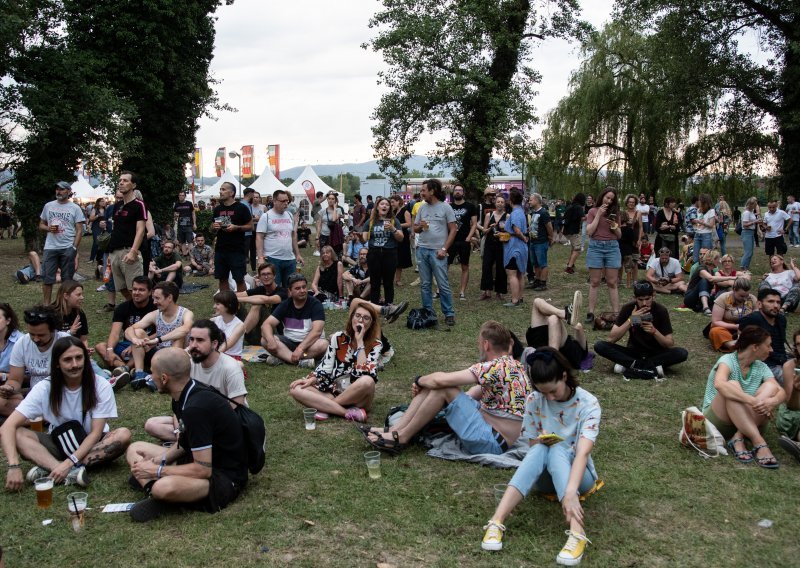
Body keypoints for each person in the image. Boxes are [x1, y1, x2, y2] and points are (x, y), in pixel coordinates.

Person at [480, 348, 601, 565]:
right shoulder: (534, 400)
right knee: (542, 448)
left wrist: (572, 491)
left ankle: (577, 532)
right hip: (544, 478)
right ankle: (496, 521)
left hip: (579, 478)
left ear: (564, 376)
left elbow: (583, 452)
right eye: (543, 392)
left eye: (553, 391)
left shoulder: (588, 403)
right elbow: (532, 443)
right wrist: (540, 440)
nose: (549, 398)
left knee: (557, 449)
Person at [361, 321, 530, 455]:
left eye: (479, 343)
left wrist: (420, 380)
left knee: (443, 387)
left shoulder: (494, 367)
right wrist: (431, 390)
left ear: (486, 344)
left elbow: (442, 381)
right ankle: (394, 430)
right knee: (440, 387)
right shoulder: (513, 367)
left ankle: (402, 438)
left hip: (492, 442)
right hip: (494, 435)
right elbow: (471, 395)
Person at [126, 348, 248, 522]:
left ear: (164, 378)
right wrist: (156, 461)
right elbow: (184, 445)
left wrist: (157, 470)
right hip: (197, 459)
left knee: (163, 487)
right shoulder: (184, 394)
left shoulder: (196, 409)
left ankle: (159, 493)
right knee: (135, 449)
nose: (150, 377)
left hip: (222, 477)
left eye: (151, 372)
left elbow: (203, 470)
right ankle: (154, 492)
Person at [1, 336, 132, 490]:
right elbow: (7, 426)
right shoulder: (45, 388)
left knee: (123, 435)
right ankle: (64, 470)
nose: (75, 364)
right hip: (58, 444)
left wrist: (69, 462)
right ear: (57, 363)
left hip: (93, 444)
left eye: (79, 358)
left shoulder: (100, 385)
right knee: (17, 434)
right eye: (68, 360)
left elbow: (96, 433)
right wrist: (14, 466)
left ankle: (53, 468)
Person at [144, 320, 247, 441]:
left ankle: (191, 445)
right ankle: (186, 443)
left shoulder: (230, 368)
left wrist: (200, 425)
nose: (193, 345)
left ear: (214, 344)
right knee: (152, 424)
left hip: (223, 423)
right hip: (195, 416)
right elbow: (180, 403)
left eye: (200, 340)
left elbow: (237, 407)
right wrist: (179, 430)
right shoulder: (189, 365)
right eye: (191, 339)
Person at [701, 326, 784, 468]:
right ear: (755, 347)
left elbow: (780, 391)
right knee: (731, 384)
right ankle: (759, 443)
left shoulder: (761, 366)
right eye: (768, 345)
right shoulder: (728, 360)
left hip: (747, 422)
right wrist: (753, 401)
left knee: (771, 387)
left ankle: (738, 438)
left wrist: (772, 401)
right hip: (719, 421)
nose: (771, 350)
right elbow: (720, 384)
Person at [289, 302, 382, 422]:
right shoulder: (338, 338)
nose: (360, 320)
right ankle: (346, 412)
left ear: (371, 323)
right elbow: (325, 367)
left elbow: (363, 373)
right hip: (334, 391)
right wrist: (312, 379)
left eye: (366, 318)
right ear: (352, 317)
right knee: (296, 389)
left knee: (367, 381)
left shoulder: (376, 344)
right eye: (357, 315)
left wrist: (360, 343)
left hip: (358, 397)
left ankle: (326, 407)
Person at [594, 280, 688, 379]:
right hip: (633, 352)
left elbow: (669, 343)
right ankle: (650, 367)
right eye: (640, 299)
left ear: (653, 295)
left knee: (682, 353)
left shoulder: (661, 310)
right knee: (600, 345)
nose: (644, 303)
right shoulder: (628, 308)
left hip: (655, 353)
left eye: (647, 299)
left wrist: (655, 332)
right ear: (635, 298)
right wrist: (631, 320)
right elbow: (611, 339)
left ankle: (631, 366)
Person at [0, 306, 71, 417]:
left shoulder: (65, 343)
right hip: (35, 396)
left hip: (61, 395)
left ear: (53, 330)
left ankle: (32, 416)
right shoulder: (22, 343)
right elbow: (15, 379)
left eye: (41, 335)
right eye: (32, 334)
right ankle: (43, 416)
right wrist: (10, 388)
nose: (36, 339)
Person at [125, 281, 194, 388]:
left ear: (169, 298)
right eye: (154, 298)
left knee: (179, 336)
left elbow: (185, 329)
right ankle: (139, 373)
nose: (154, 302)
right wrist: (134, 339)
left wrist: (158, 340)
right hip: (158, 355)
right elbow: (130, 329)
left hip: (178, 358)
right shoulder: (155, 314)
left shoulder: (186, 313)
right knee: (137, 332)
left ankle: (160, 378)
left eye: (157, 298)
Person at [95, 276, 155, 384]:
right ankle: (125, 369)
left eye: (141, 290)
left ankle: (126, 369)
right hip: (127, 347)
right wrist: (110, 350)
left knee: (138, 341)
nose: (136, 292)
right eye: (135, 289)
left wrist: (136, 343)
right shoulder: (123, 307)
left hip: (148, 345)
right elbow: (115, 333)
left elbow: (160, 333)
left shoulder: (155, 307)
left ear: (150, 292)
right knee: (101, 347)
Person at [413, 179, 457, 325]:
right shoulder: (422, 208)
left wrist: (444, 249)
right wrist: (420, 227)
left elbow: (453, 230)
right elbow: (415, 228)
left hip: (438, 251)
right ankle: (428, 312)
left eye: (424, 190)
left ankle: (449, 313)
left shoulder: (446, 208)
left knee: (442, 283)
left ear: (432, 191)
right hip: (422, 249)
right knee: (425, 284)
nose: (421, 193)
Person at [261, 273, 329, 367]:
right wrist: (271, 341)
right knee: (265, 340)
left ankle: (283, 357)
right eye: (297, 288)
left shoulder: (315, 304)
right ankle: (297, 361)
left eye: (304, 287)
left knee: (323, 344)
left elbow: (317, 332)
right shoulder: (285, 304)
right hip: (289, 344)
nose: (302, 291)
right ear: (289, 291)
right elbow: (266, 324)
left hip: (309, 346)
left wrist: (300, 349)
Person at [39, 181, 85, 304]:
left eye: (62, 189)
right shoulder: (48, 206)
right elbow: (41, 224)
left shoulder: (75, 208)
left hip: (67, 247)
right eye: (57, 189)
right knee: (48, 279)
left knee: (67, 280)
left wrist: (74, 248)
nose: (58, 191)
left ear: (69, 192)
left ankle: (64, 305)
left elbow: (79, 230)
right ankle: (47, 305)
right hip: (50, 247)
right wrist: (48, 228)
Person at [106, 172, 147, 302]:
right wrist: (110, 253)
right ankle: (134, 309)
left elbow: (141, 230)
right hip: (115, 251)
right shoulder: (117, 206)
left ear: (133, 185)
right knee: (121, 288)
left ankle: (142, 313)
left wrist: (133, 252)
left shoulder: (139, 205)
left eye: (125, 180)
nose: (121, 183)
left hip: (129, 251)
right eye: (120, 180)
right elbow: (116, 229)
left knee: (135, 288)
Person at [521, 293, 588, 371]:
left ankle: (552, 361)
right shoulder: (578, 347)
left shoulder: (579, 353)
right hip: (540, 346)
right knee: (537, 301)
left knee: (553, 318)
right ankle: (564, 314)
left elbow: (578, 326)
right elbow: (578, 327)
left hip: (561, 354)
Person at [584, 187, 622, 324]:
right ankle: (590, 312)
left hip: (612, 247)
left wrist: (614, 226)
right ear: (602, 197)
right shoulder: (592, 211)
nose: (609, 200)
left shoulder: (615, 212)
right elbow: (589, 231)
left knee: (612, 282)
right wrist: (599, 214)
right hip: (596, 247)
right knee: (595, 282)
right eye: (607, 197)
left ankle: (616, 313)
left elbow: (619, 235)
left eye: (612, 199)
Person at [255, 189, 304, 288]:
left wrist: (297, 254)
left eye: (287, 201)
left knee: (291, 287)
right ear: (274, 201)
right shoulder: (266, 216)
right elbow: (259, 237)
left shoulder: (289, 215)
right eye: (283, 201)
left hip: (290, 259)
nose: (286, 203)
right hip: (272, 258)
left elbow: (293, 235)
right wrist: (260, 257)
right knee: (273, 287)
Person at [739, 288, 788, 383]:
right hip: (763, 363)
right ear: (759, 304)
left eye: (778, 302)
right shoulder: (753, 319)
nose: (775, 305)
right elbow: (742, 344)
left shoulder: (781, 319)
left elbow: (780, 344)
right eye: (771, 301)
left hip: (782, 360)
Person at [362, 196, 404, 305]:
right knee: (374, 282)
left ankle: (389, 307)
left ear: (389, 208)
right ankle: (374, 307)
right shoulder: (370, 222)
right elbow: (364, 239)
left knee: (388, 283)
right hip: (374, 254)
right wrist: (360, 236)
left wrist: (392, 228)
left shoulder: (394, 221)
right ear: (377, 207)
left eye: (387, 204)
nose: (384, 206)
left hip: (390, 254)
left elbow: (401, 238)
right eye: (382, 204)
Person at [212, 181, 252, 293]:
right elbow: (213, 227)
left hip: (236, 249)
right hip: (221, 249)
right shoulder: (217, 209)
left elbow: (250, 227)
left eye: (223, 189)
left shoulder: (241, 208)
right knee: (222, 278)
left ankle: (240, 305)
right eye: (220, 189)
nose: (220, 191)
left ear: (232, 193)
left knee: (239, 279)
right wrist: (214, 226)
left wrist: (236, 227)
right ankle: (226, 305)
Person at [236, 262, 288, 346]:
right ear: (259, 277)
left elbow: (266, 299)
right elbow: (236, 295)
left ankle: (237, 338)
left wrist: (238, 299)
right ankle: (229, 335)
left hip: (275, 334)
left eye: (269, 274)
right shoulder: (260, 289)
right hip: (258, 333)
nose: (266, 277)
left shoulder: (283, 292)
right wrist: (231, 299)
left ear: (274, 276)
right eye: (263, 274)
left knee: (258, 305)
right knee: (234, 304)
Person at [709, 277, 758, 352]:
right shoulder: (723, 298)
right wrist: (736, 327)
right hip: (727, 328)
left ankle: (744, 345)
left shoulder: (752, 299)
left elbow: (757, 318)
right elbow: (716, 321)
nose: (745, 299)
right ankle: (735, 346)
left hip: (746, 329)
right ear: (734, 290)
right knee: (715, 331)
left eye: (747, 296)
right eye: (741, 296)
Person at [447, 185, 478, 299]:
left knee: (465, 266)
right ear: (453, 192)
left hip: (464, 240)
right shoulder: (448, 207)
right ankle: (440, 290)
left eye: (460, 190)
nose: (458, 192)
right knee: (445, 266)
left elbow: (474, 224)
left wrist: (469, 237)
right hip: (451, 240)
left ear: (463, 193)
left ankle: (462, 292)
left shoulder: (470, 206)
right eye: (456, 190)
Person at [478, 193, 508, 300]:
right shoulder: (489, 215)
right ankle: (487, 291)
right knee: (486, 267)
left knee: (501, 268)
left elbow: (509, 233)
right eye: (498, 202)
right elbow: (484, 231)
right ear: (495, 203)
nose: (500, 204)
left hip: (501, 245)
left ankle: (499, 292)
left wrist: (501, 234)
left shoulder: (507, 216)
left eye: (502, 202)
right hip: (489, 244)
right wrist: (491, 228)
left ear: (504, 204)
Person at [502, 189, 528, 308]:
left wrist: (523, 238)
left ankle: (514, 300)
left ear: (511, 200)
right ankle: (520, 297)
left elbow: (516, 230)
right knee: (519, 273)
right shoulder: (521, 212)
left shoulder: (515, 213)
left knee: (512, 273)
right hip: (520, 246)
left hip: (515, 246)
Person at [684, 250, 729, 314]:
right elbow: (710, 279)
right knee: (704, 280)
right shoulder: (701, 268)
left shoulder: (712, 271)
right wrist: (732, 277)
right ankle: (705, 307)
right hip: (690, 299)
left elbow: (716, 282)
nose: (719, 261)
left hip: (699, 300)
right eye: (718, 259)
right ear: (713, 259)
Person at [778, 331, 800, 462]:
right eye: (798, 344)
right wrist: (796, 390)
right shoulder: (790, 366)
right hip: (794, 412)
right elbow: (792, 406)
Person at [527, 193, 553, 291]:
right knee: (535, 263)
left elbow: (549, 226)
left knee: (542, 263)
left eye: (531, 200)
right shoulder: (534, 212)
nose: (529, 202)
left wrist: (551, 237)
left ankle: (543, 283)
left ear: (537, 201)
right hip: (533, 241)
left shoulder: (543, 212)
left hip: (541, 242)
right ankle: (537, 280)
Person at [211, 291, 245, 360]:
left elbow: (227, 345)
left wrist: (212, 357)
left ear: (228, 305)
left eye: (217, 304)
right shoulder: (214, 321)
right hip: (217, 354)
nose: (214, 306)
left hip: (231, 358)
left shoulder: (240, 326)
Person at [618, 194, 642, 289]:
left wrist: (639, 239)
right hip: (624, 240)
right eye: (629, 202)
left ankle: (634, 281)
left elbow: (640, 227)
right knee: (621, 260)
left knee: (634, 261)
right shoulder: (623, 213)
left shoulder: (638, 213)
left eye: (633, 202)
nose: (631, 203)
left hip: (635, 239)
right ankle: (619, 279)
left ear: (635, 203)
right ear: (627, 203)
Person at [390, 194, 413, 287]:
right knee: (393, 258)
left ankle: (398, 279)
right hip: (394, 236)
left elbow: (409, 224)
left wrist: (396, 226)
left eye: (393, 202)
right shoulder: (394, 212)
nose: (391, 204)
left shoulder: (405, 211)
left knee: (400, 259)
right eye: (391, 202)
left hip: (402, 237)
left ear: (398, 201)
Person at [315, 191, 345, 257]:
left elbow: (334, 219)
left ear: (335, 200)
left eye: (333, 199)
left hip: (334, 236)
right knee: (324, 255)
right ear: (327, 200)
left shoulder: (338, 210)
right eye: (329, 198)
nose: (331, 200)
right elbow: (319, 224)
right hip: (324, 235)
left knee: (334, 255)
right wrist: (317, 237)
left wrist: (334, 208)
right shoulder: (322, 211)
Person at [562, 193, 586, 275]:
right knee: (577, 249)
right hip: (574, 231)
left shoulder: (570, 206)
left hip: (567, 230)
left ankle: (570, 263)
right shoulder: (579, 207)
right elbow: (583, 218)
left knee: (573, 247)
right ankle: (569, 267)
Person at [0, 304, 23, 387]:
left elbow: (30, 375)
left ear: (8, 321)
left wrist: (3, 376)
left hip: (15, 386)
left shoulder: (20, 341)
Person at [690, 194, 716, 265]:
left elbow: (711, 225)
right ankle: (696, 272)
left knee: (705, 257)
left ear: (704, 202)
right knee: (695, 256)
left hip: (706, 235)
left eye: (700, 201)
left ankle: (705, 273)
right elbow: (698, 222)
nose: (699, 202)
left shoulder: (711, 211)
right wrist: (695, 222)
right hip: (697, 234)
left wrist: (703, 223)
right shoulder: (698, 210)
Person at [173, 190, 196, 257]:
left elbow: (193, 214)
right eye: (180, 195)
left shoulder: (189, 203)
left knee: (190, 241)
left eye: (182, 195)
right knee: (182, 241)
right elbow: (174, 215)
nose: (181, 197)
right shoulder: (176, 204)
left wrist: (194, 223)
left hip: (188, 225)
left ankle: (192, 256)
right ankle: (185, 254)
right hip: (180, 225)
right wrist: (175, 217)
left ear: (185, 196)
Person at [740, 197, 760, 270]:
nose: (756, 206)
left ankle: (746, 267)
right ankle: (743, 267)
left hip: (751, 232)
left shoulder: (751, 212)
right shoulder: (746, 213)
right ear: (751, 204)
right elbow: (745, 224)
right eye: (755, 205)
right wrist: (755, 221)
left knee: (750, 252)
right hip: (746, 232)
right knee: (748, 252)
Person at [88, 197, 107, 263]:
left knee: (103, 242)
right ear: (98, 202)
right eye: (102, 201)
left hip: (104, 227)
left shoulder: (106, 209)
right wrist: (97, 216)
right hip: (96, 227)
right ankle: (91, 258)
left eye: (104, 201)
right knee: (96, 242)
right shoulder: (95, 209)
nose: (104, 202)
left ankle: (100, 258)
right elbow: (90, 219)